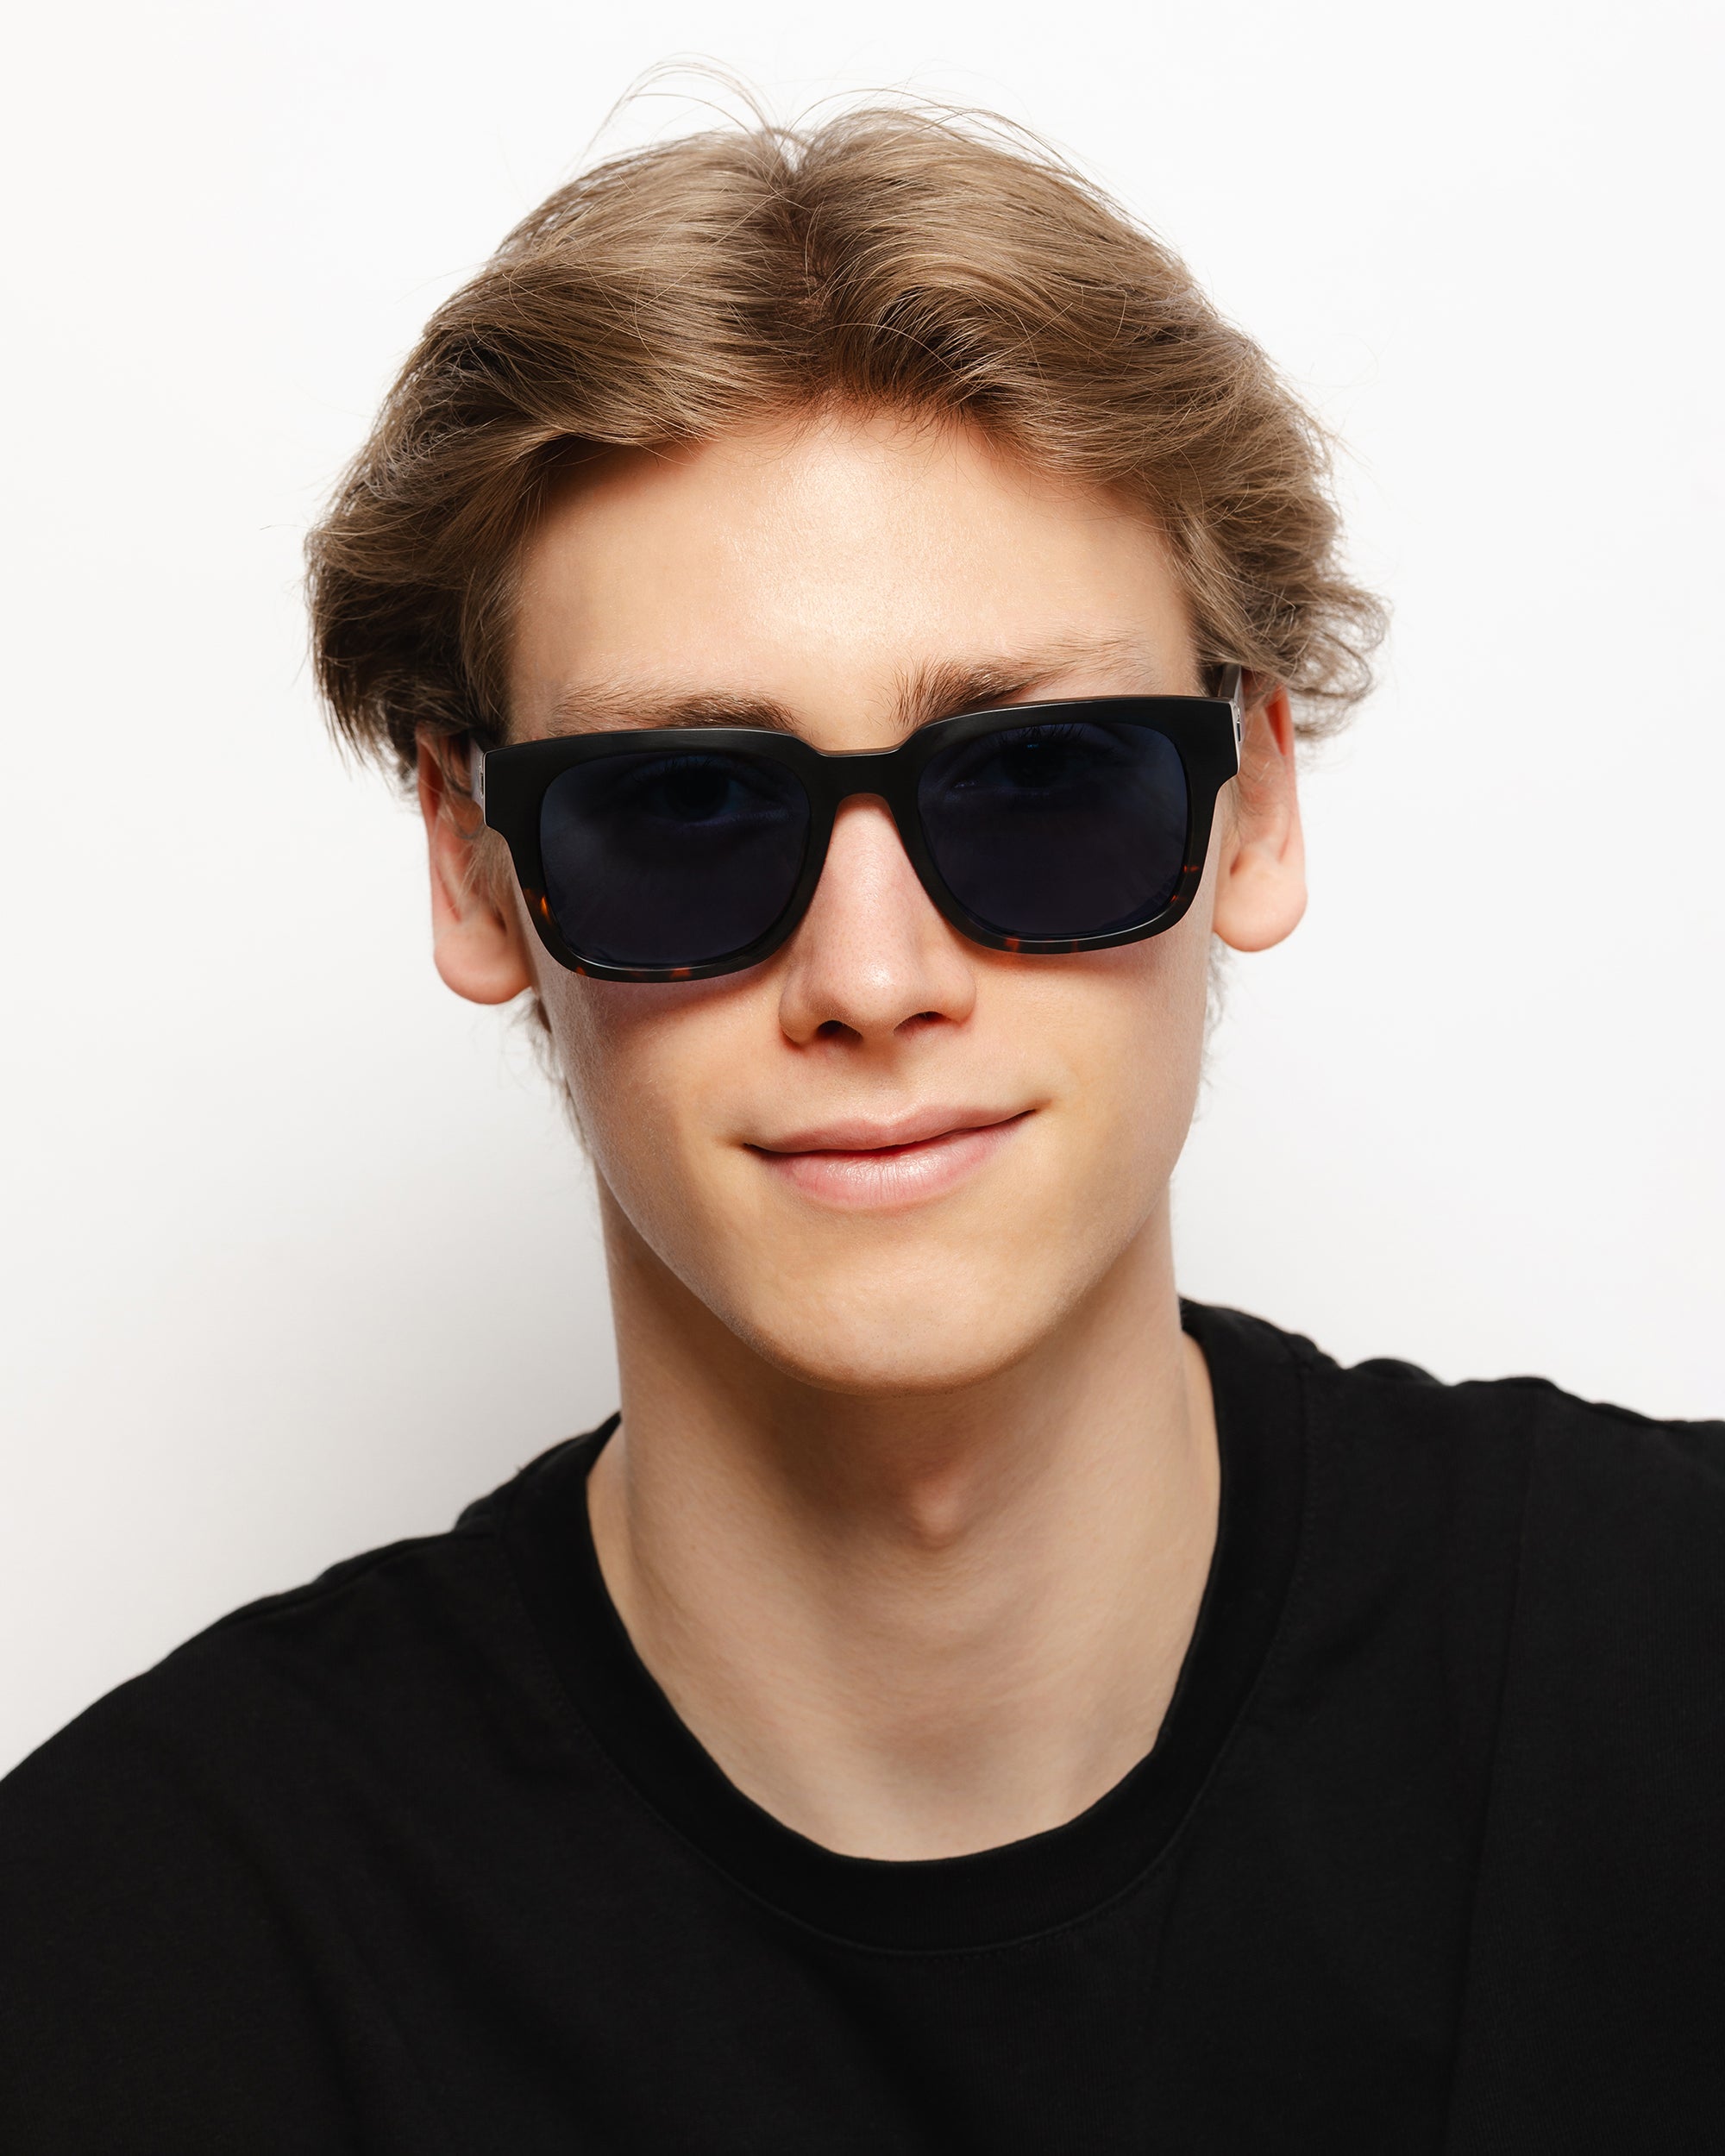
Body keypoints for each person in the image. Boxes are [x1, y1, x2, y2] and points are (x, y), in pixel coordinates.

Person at [2, 107, 1721, 2154]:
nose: (874, 974)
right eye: (683, 807)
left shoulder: (1671, 1677)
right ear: (474, 872)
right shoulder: (122, 1957)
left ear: (1254, 806)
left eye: (1043, 777)